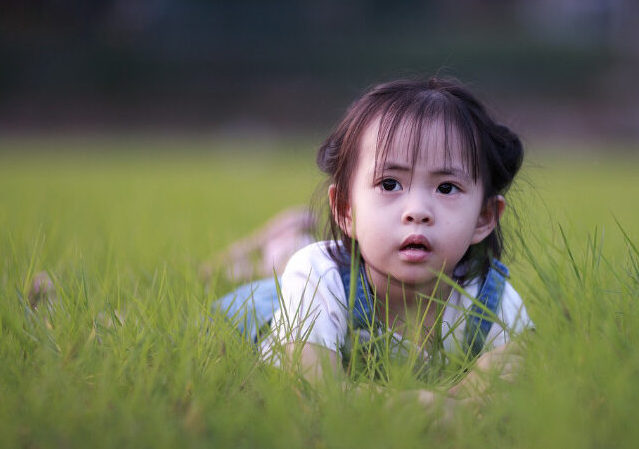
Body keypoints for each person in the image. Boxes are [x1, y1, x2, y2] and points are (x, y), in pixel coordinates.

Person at [214, 77, 533, 401]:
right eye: (390, 184)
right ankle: (259, 253)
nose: (417, 211)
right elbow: (317, 394)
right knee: (290, 268)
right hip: (269, 308)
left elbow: (511, 392)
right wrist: (438, 402)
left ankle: (286, 239)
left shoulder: (492, 302)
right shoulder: (316, 276)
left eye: (446, 188)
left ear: (484, 217)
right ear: (345, 209)